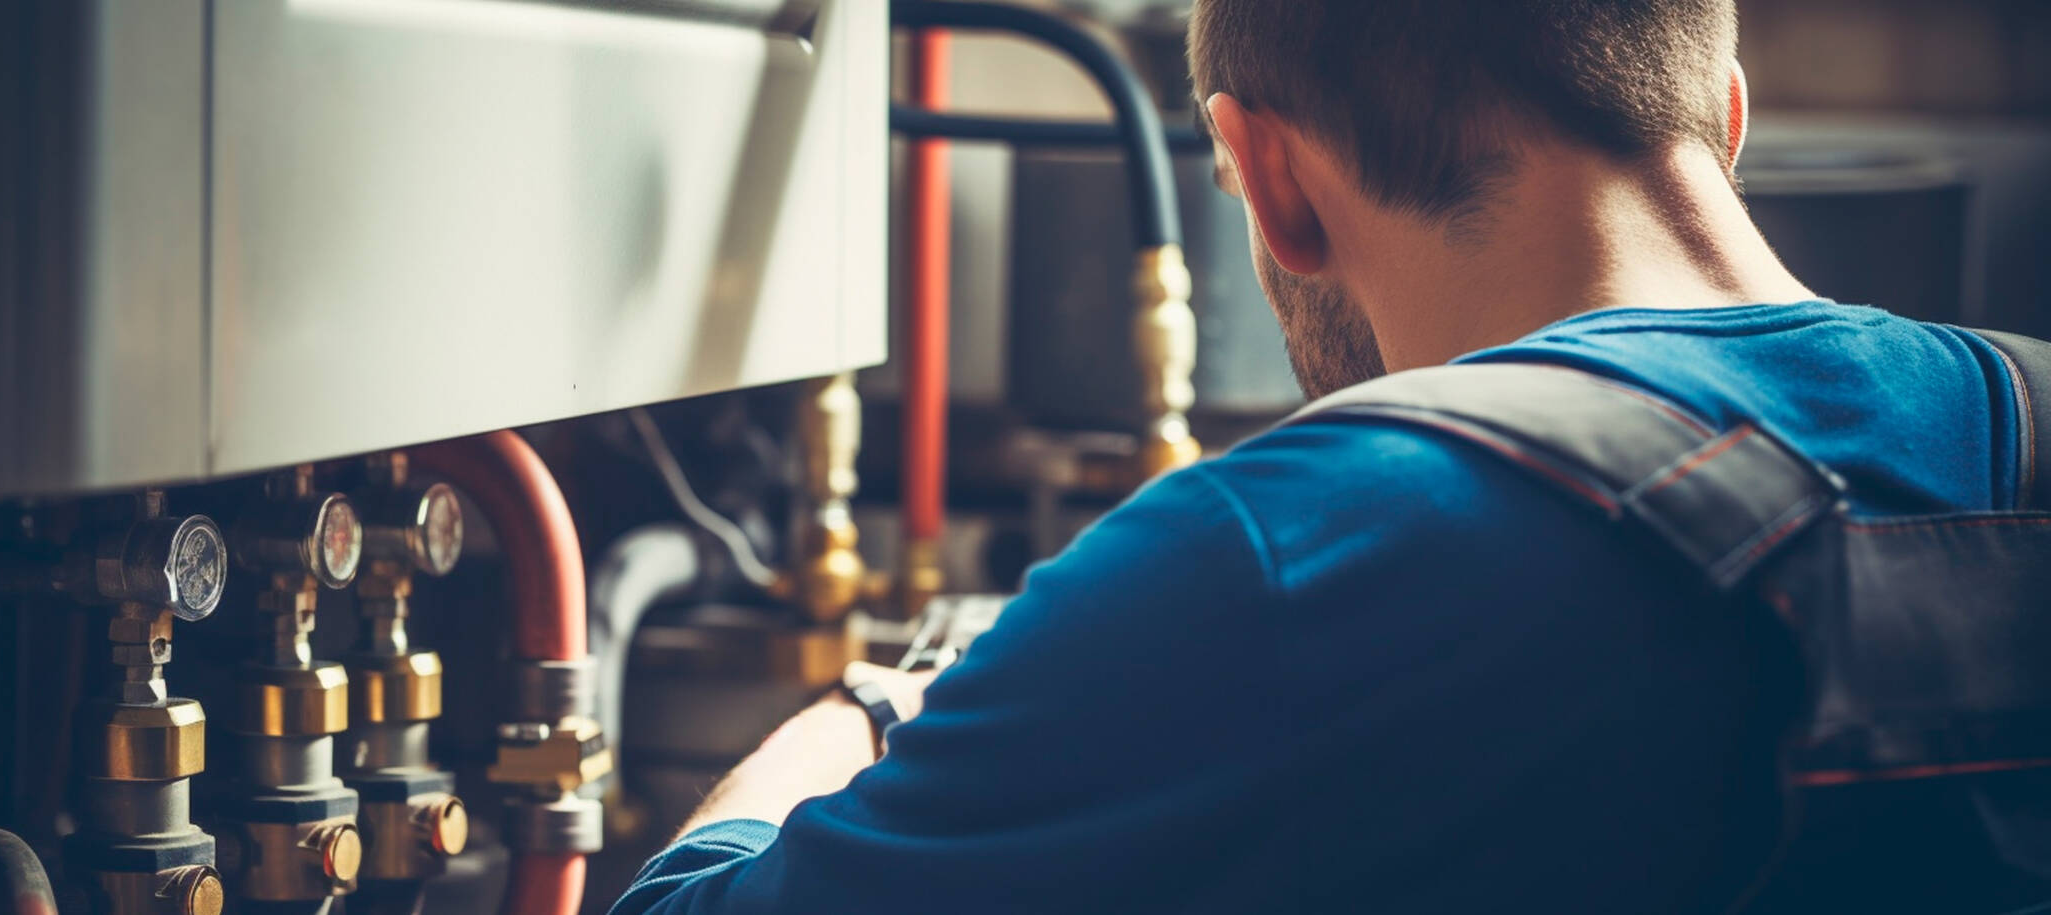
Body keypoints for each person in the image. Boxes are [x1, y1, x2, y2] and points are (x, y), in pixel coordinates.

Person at [609, 1, 2050, 912]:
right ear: (1726, 120)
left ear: (1273, 177)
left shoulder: (1291, 546)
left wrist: (871, 711)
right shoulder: (2031, 423)